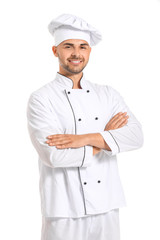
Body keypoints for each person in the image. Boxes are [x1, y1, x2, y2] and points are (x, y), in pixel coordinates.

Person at [27, 14, 143, 240]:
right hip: (63, 209)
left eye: (83, 47)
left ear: (89, 52)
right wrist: (107, 139)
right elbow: (54, 156)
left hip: (107, 205)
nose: (76, 54)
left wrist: (83, 138)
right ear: (55, 51)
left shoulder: (107, 94)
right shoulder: (41, 98)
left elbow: (136, 137)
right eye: (68, 46)